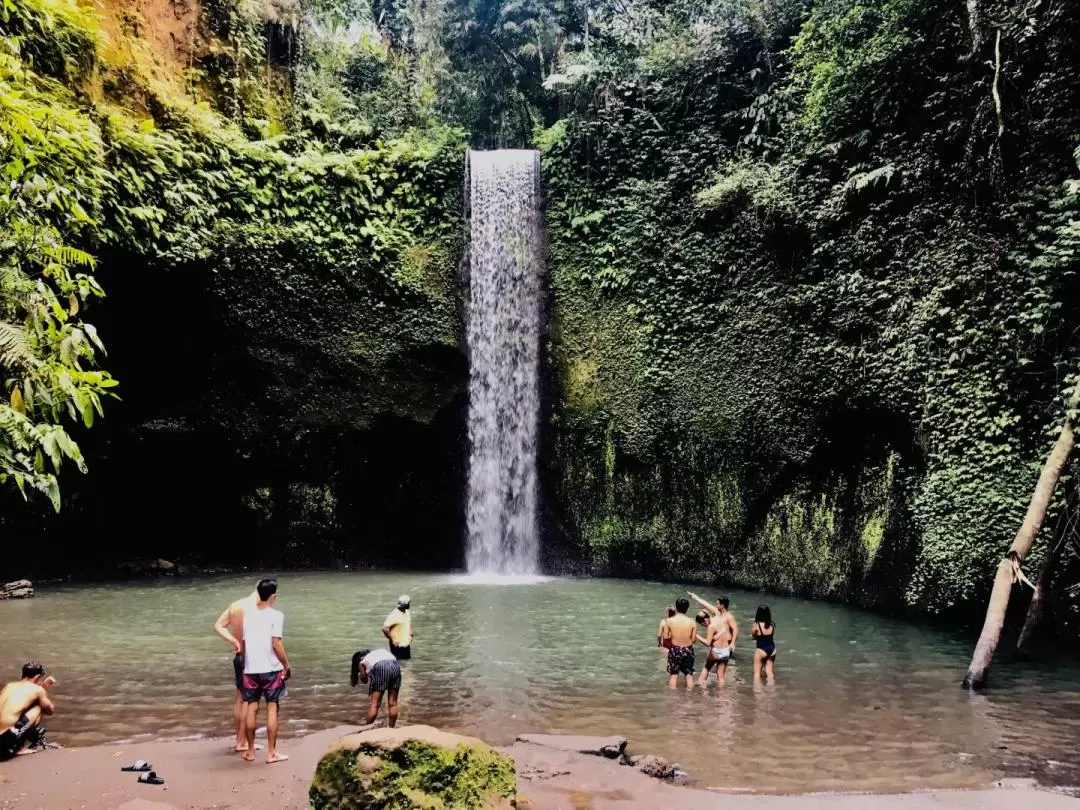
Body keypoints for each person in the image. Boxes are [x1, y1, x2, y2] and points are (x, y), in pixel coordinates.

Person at [240, 578, 291, 764]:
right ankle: (271, 753)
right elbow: (276, 644)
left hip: (250, 668)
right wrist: (286, 665)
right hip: (270, 669)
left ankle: (251, 751)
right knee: (272, 707)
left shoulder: (248, 615)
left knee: (252, 707)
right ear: (273, 596)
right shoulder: (276, 615)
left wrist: (246, 665)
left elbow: (244, 644)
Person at [213, 583, 259, 752]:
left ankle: (240, 740)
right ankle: (243, 742)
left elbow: (218, 626)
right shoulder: (258, 609)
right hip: (253, 658)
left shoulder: (236, 605)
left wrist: (233, 640)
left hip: (239, 655)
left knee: (240, 698)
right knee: (250, 700)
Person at [0, 661, 56, 759]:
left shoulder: (9, 686)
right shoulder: (38, 690)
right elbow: (49, 710)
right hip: (3, 743)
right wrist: (44, 688)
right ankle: (21, 748)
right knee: (39, 707)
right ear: (38, 676)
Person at [351, 648, 402, 727]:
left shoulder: (361, 662)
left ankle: (366, 728)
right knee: (393, 703)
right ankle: (391, 728)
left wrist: (361, 675)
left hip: (380, 667)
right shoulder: (377, 652)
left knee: (375, 705)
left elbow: (365, 680)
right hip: (395, 666)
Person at [699, 597, 737, 686]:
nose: (715, 605)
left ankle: (702, 689)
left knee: (708, 668)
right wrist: (694, 597)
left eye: (717, 603)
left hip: (725, 646)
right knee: (720, 674)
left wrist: (732, 643)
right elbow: (705, 604)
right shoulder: (717, 613)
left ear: (722, 605)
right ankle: (721, 694)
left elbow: (735, 630)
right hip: (722, 647)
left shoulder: (729, 616)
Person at [666, 598, 698, 689]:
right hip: (688, 649)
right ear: (687, 608)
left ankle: (673, 697)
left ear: (676, 607)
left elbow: (666, 637)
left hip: (675, 649)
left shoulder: (669, 621)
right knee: (689, 675)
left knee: (674, 675)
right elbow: (694, 640)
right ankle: (689, 696)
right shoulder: (692, 622)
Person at [382, 595, 413, 660]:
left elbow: (409, 621)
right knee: (399, 663)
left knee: (407, 661)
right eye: (408, 603)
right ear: (405, 604)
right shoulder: (394, 614)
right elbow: (384, 628)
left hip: (405, 642)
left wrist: (411, 633)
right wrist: (393, 640)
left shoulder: (406, 611)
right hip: (397, 644)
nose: (409, 604)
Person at [752, 604, 777, 683]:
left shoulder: (756, 625)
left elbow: (754, 636)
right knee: (769, 672)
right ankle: (771, 689)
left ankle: (758, 692)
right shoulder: (772, 625)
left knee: (756, 674)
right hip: (772, 649)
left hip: (761, 649)